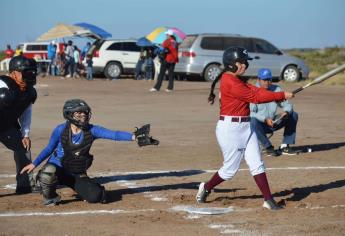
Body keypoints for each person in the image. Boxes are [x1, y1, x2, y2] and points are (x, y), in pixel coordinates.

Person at [195, 47, 294, 210]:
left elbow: (255, 90)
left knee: (257, 163)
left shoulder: (236, 80)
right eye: (242, 62)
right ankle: (206, 187)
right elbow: (255, 97)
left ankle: (268, 200)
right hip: (231, 129)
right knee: (229, 170)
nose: (245, 65)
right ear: (232, 64)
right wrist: (281, 95)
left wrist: (281, 94)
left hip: (246, 126)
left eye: (245, 62)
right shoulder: (229, 81)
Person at [21, 99, 159, 205]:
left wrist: (134, 137)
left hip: (76, 172)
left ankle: (83, 187)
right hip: (57, 169)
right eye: (79, 113)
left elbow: (113, 134)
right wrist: (34, 164)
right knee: (47, 174)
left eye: (85, 112)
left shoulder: (92, 130)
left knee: (96, 197)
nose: (83, 116)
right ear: (69, 114)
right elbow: (49, 148)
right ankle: (50, 197)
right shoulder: (60, 129)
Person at [0, 55, 40, 194]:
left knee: (23, 147)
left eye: (32, 73)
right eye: (26, 73)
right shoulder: (2, 85)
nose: (29, 77)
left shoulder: (29, 92)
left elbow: (26, 113)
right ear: (13, 73)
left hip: (6, 126)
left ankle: (24, 185)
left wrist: (25, 134)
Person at [250, 68, 299, 156]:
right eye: (264, 80)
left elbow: (287, 105)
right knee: (252, 121)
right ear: (258, 79)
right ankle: (268, 147)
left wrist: (286, 112)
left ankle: (285, 146)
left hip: (273, 122)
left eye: (269, 80)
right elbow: (250, 113)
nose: (267, 82)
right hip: (260, 124)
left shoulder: (276, 89)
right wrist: (265, 119)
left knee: (293, 115)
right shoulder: (252, 91)